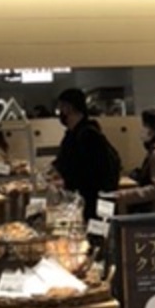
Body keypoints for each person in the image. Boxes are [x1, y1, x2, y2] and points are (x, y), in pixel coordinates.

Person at [49, 87, 121, 220]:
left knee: (96, 231)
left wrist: (67, 181)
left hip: (93, 201)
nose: (60, 112)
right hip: (86, 199)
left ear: (69, 107)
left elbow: (92, 171)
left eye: (61, 107)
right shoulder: (74, 133)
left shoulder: (88, 135)